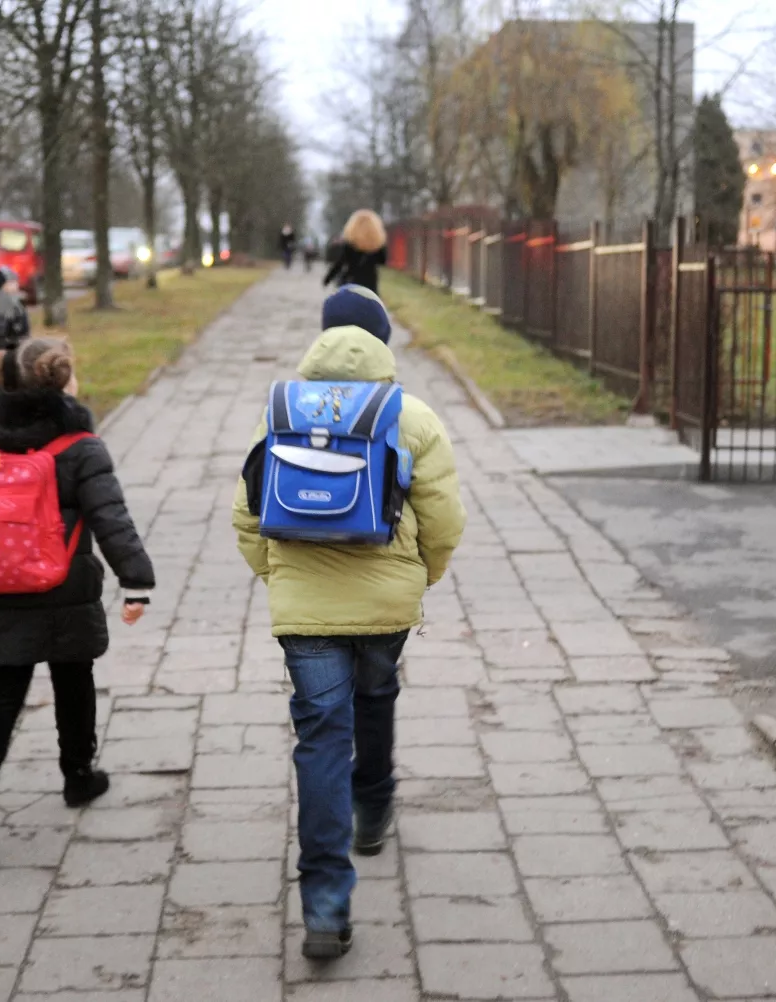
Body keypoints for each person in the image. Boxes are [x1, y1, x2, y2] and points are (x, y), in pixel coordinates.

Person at [232, 284, 465, 960]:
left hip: (304, 613)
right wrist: (423, 576)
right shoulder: (411, 415)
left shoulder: (277, 409)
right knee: (377, 693)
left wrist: (278, 578)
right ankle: (374, 806)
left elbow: (246, 514)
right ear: (383, 347)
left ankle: (326, 909)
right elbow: (445, 521)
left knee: (320, 740)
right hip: (387, 602)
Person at [0, 336, 155, 863]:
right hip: (66, 587)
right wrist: (137, 581)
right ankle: (78, 775)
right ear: (63, 382)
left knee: (2, 693)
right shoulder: (81, 448)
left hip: (2, 589)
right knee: (73, 677)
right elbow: (111, 520)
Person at [322, 209, 389, 293]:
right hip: (370, 284)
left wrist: (327, 279)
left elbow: (340, 263)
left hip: (351, 282)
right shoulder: (377, 246)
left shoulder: (350, 244)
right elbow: (383, 261)